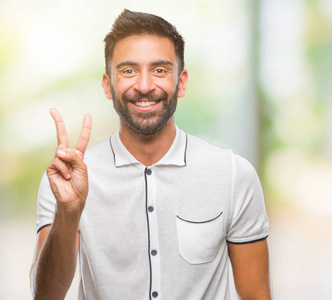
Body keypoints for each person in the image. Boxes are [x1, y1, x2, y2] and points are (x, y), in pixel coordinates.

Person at [30, 9, 271, 300]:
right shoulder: (67, 179)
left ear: (180, 82)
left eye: (159, 70)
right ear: (108, 85)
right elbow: (46, 295)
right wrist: (68, 212)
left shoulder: (233, 175)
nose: (144, 86)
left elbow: (257, 296)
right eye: (128, 70)